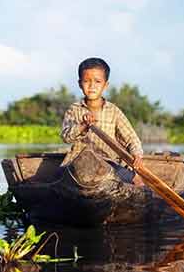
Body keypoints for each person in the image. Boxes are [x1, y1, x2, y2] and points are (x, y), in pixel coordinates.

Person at [60, 57, 144, 187]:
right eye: (87, 81)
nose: (92, 86)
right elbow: (66, 136)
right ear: (79, 84)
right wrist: (82, 126)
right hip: (77, 162)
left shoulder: (113, 111)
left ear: (105, 85)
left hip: (107, 163)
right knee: (59, 178)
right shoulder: (74, 110)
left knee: (136, 181)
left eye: (97, 81)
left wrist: (137, 153)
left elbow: (131, 139)